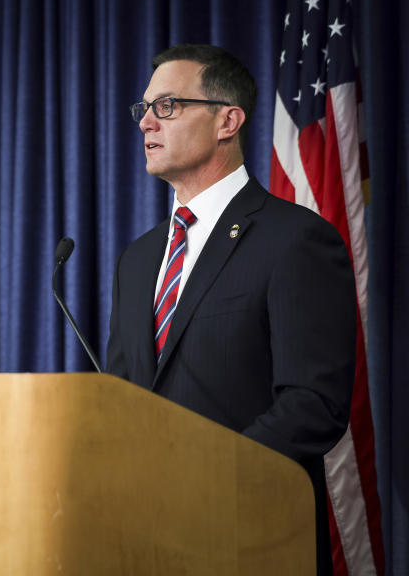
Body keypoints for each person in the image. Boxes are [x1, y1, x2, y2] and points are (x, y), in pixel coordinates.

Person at [106, 44, 355, 575]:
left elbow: (313, 404)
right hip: (141, 538)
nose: (146, 122)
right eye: (143, 109)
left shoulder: (296, 240)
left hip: (251, 534)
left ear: (228, 120)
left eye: (167, 106)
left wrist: (205, 481)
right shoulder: (139, 259)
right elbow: (122, 395)